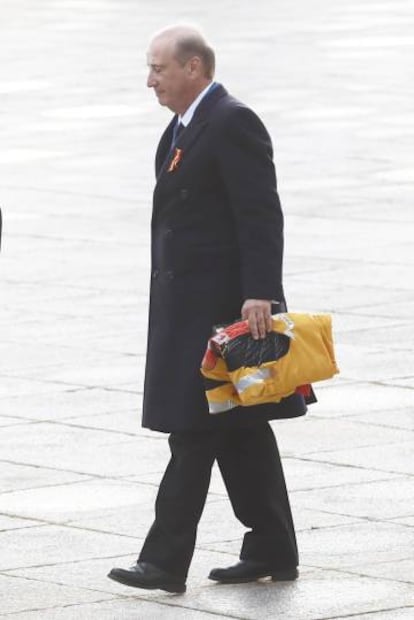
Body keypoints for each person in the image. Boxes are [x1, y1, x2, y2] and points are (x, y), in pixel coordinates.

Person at [108, 25, 309, 594]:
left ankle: (165, 561)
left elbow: (261, 214)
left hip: (226, 312)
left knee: (194, 432)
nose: (151, 80)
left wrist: (262, 293)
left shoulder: (230, 122)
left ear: (194, 68)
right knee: (241, 433)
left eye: (159, 69)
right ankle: (273, 546)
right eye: (150, 69)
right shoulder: (180, 128)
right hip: (190, 305)